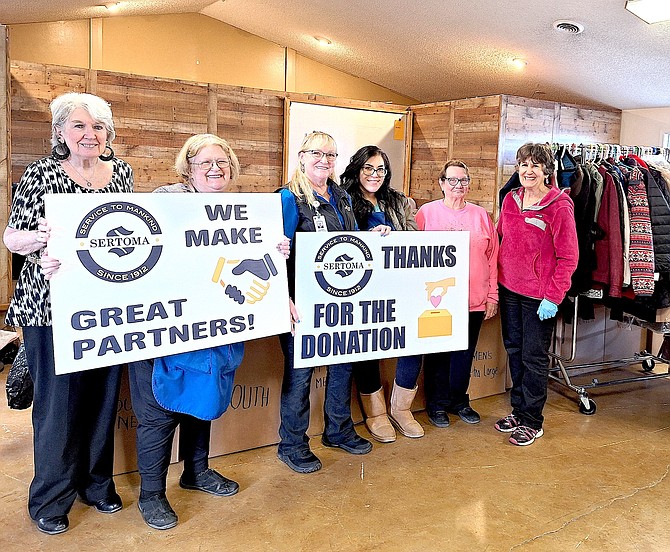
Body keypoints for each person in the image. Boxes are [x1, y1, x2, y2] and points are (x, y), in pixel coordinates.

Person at [127, 134, 290, 529]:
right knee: (160, 413)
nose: (215, 169)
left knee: (204, 401)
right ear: (188, 167)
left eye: (222, 162)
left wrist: (275, 251)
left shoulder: (242, 213)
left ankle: (196, 472)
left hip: (215, 331)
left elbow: (252, 266)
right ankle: (151, 494)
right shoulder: (164, 204)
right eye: (205, 162)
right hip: (167, 331)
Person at [3, 92, 134, 535]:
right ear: (60, 132)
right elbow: (11, 239)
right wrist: (41, 242)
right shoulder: (39, 174)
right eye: (78, 126)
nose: (89, 134)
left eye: (97, 127)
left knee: (102, 398)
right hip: (50, 305)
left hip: (106, 304)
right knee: (58, 405)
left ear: (108, 134)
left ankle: (95, 484)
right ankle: (50, 497)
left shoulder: (123, 175)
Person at [277, 131, 388, 473]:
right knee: (300, 374)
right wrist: (285, 297)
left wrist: (376, 232)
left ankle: (338, 431)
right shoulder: (288, 197)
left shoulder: (341, 195)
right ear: (301, 156)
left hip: (341, 299)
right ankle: (292, 444)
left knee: (343, 366)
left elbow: (351, 238)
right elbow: (274, 252)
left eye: (331, 154)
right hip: (302, 301)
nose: (324, 160)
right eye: (317, 153)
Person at [338, 145, 425, 443]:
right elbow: (338, 241)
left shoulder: (400, 201)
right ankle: (374, 413)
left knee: (414, 341)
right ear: (357, 169)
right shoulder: (343, 199)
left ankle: (401, 409)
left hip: (400, 282)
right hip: (362, 287)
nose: (375, 175)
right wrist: (366, 238)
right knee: (368, 345)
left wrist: (395, 236)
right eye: (368, 168)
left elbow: (415, 239)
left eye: (381, 170)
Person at [495, 142, 578, 446]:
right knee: (514, 350)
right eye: (523, 165)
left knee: (533, 357)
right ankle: (518, 411)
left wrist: (553, 296)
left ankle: (532, 420)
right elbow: (501, 239)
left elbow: (569, 257)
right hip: (509, 290)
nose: (528, 171)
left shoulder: (558, 205)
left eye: (535, 166)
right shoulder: (511, 199)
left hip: (538, 297)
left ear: (546, 171)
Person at [415, 160, 499, 428]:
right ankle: (436, 405)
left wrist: (492, 296)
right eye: (452, 180)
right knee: (438, 354)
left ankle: (459, 401)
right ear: (441, 184)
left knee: (464, 353)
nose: (458, 185)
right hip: (437, 300)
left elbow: (493, 257)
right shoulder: (426, 213)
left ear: (469, 183)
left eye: (463, 180)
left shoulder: (481, 215)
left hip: (473, 299)